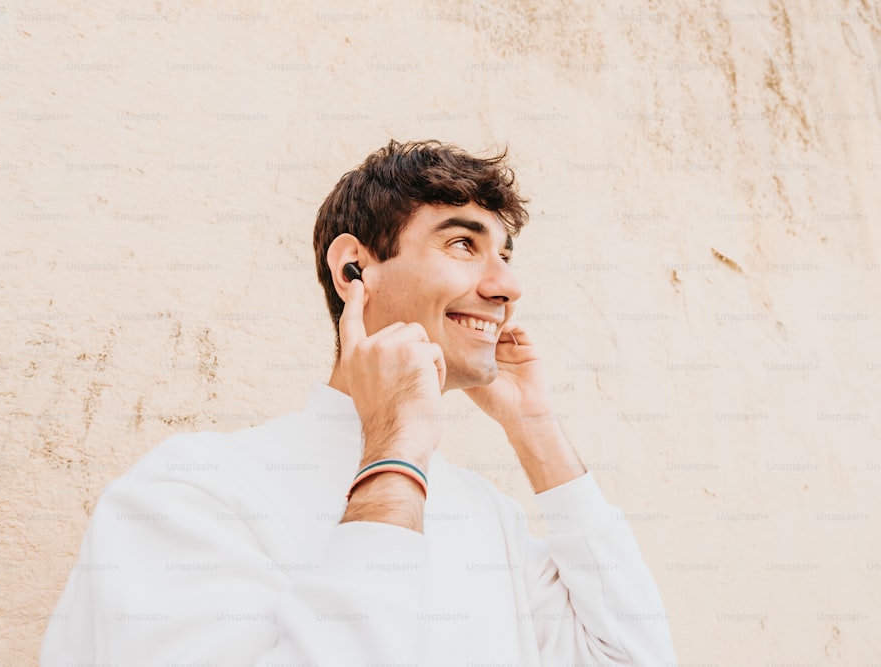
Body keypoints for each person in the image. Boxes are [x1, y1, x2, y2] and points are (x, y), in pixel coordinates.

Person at [41, 140, 678, 665]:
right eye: (463, 244)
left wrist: (534, 429)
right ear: (354, 270)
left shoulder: (492, 521)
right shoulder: (190, 489)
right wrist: (395, 447)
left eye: (505, 256)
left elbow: (632, 657)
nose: (506, 285)